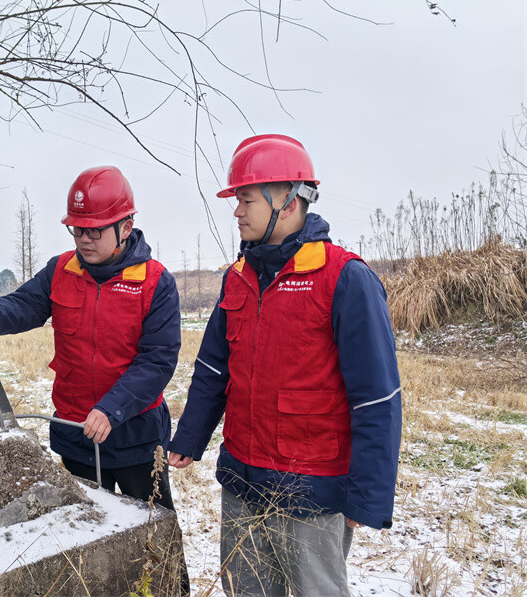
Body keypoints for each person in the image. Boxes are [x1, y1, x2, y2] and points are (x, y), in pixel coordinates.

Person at [167, 135, 402, 597]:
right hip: (241, 482)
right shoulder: (237, 278)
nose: (236, 211)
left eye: (245, 199)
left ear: (290, 199)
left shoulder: (345, 278)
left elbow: (377, 396)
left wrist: (367, 495)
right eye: (236, 199)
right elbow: (214, 368)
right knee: (244, 590)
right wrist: (191, 436)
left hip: (310, 492)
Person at [0, 165, 181, 511]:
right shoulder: (60, 269)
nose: (84, 239)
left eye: (95, 231)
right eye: (77, 229)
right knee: (86, 535)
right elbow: (24, 305)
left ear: (125, 227)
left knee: (150, 541)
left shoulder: (155, 282)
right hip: (76, 435)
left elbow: (157, 361)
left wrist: (112, 409)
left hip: (136, 439)